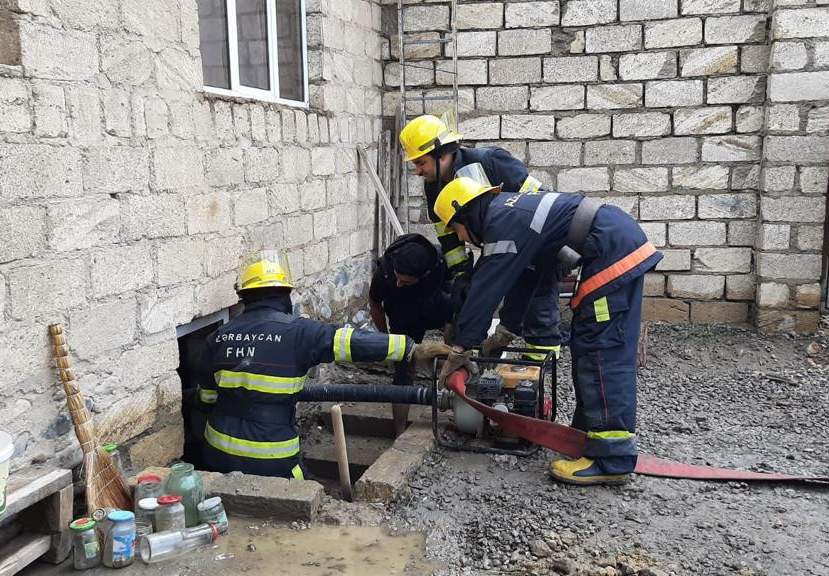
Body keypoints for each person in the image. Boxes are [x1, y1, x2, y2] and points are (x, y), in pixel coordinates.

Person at [433, 176, 662, 486]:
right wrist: (507, 329)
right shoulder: (511, 214)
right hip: (612, 241)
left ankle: (612, 459)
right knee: (587, 344)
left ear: (466, 214)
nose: (462, 240)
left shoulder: (501, 224)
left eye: (457, 230)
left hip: (612, 248)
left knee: (601, 350)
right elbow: (527, 280)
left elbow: (486, 290)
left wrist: (462, 347)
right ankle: (587, 436)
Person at [195, 250, 450, 479]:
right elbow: (354, 343)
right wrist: (413, 349)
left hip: (217, 454)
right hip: (272, 457)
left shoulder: (217, 337)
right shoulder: (301, 333)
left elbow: (206, 400)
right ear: (285, 294)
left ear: (244, 297)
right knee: (306, 495)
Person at [400, 115, 561, 362]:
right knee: (474, 299)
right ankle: (473, 360)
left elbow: (538, 201)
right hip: (498, 245)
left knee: (537, 303)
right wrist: (462, 273)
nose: (417, 171)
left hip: (535, 243)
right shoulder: (434, 187)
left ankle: (539, 365)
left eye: (421, 162)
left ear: (442, 154)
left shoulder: (491, 162)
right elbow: (447, 235)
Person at [368, 234, 453, 435]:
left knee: (451, 360)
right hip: (402, 316)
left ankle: (452, 416)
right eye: (397, 277)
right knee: (403, 372)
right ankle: (399, 432)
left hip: (435, 308)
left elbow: (453, 308)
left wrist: (451, 349)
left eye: (405, 281)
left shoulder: (440, 265)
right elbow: (375, 303)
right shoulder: (386, 270)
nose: (398, 283)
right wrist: (386, 339)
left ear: (423, 275)